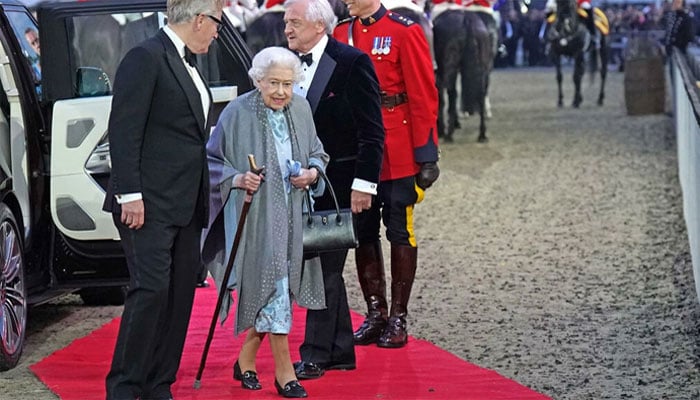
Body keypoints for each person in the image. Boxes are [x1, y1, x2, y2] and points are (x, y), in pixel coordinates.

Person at [102, 1, 223, 399]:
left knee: (180, 294)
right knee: (151, 290)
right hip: (147, 204)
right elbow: (123, 129)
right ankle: (124, 386)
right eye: (217, 24)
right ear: (200, 20)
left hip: (186, 204)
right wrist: (129, 194)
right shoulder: (145, 57)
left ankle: (158, 384)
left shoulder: (189, 62)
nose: (218, 32)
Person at [202, 46, 329, 398]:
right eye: (273, 83)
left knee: (280, 287)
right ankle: (285, 372)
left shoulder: (301, 109)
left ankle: (245, 360)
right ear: (257, 81)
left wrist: (312, 172)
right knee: (273, 286)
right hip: (255, 218)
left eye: (288, 84)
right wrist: (238, 178)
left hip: (293, 216)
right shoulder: (236, 112)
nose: (280, 92)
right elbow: (211, 162)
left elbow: (318, 151)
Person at [283, 0, 384, 379]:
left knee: (321, 270)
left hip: (342, 186)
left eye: (294, 22)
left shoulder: (353, 63)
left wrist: (364, 185)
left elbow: (372, 132)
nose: (288, 30)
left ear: (320, 26)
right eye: (285, 23)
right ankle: (340, 350)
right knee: (323, 268)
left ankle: (314, 354)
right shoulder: (284, 64)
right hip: (299, 188)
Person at [333, 0, 440, 349]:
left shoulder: (404, 32)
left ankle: (398, 317)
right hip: (358, 152)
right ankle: (375, 314)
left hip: (397, 149)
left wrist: (426, 153)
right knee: (363, 232)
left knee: (399, 231)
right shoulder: (340, 33)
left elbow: (423, 93)